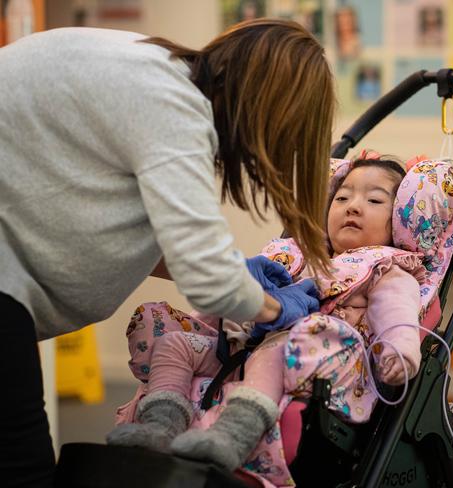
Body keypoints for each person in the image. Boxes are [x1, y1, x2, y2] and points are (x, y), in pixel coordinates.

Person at [0, 18, 335, 487]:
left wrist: (233, 271)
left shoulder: (151, 70)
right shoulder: (171, 104)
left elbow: (125, 220)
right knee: (21, 471)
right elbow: (209, 280)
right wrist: (277, 308)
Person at [106, 156, 453, 485]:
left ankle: (232, 434)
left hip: (323, 363)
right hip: (246, 348)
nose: (353, 205)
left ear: (400, 220)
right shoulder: (296, 256)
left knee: (274, 350)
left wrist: (400, 350)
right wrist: (219, 321)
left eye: (374, 200)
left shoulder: (387, 269)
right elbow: (240, 296)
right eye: (342, 198)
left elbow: (397, 311)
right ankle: (160, 426)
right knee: (174, 344)